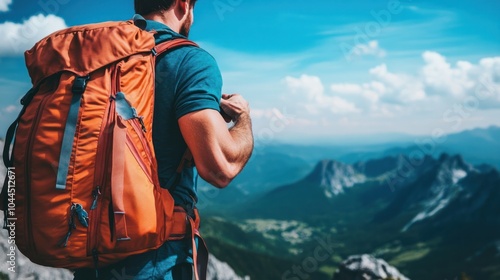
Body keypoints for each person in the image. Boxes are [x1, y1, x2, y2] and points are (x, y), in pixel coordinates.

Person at [73, 0, 254, 279]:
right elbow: (221, 169)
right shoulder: (190, 60)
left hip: (90, 250)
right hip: (155, 258)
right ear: (184, 5)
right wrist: (243, 118)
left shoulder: (97, 61)